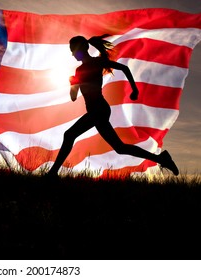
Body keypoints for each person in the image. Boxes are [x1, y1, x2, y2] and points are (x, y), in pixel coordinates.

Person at [46, 34, 179, 178]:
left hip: (99, 109)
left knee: (69, 135)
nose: (73, 55)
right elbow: (73, 97)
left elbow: (124, 68)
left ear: (84, 48)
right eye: (71, 52)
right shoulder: (79, 71)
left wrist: (134, 89)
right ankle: (161, 159)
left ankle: (52, 173)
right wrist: (72, 83)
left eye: (74, 50)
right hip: (96, 111)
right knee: (120, 148)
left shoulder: (97, 62)